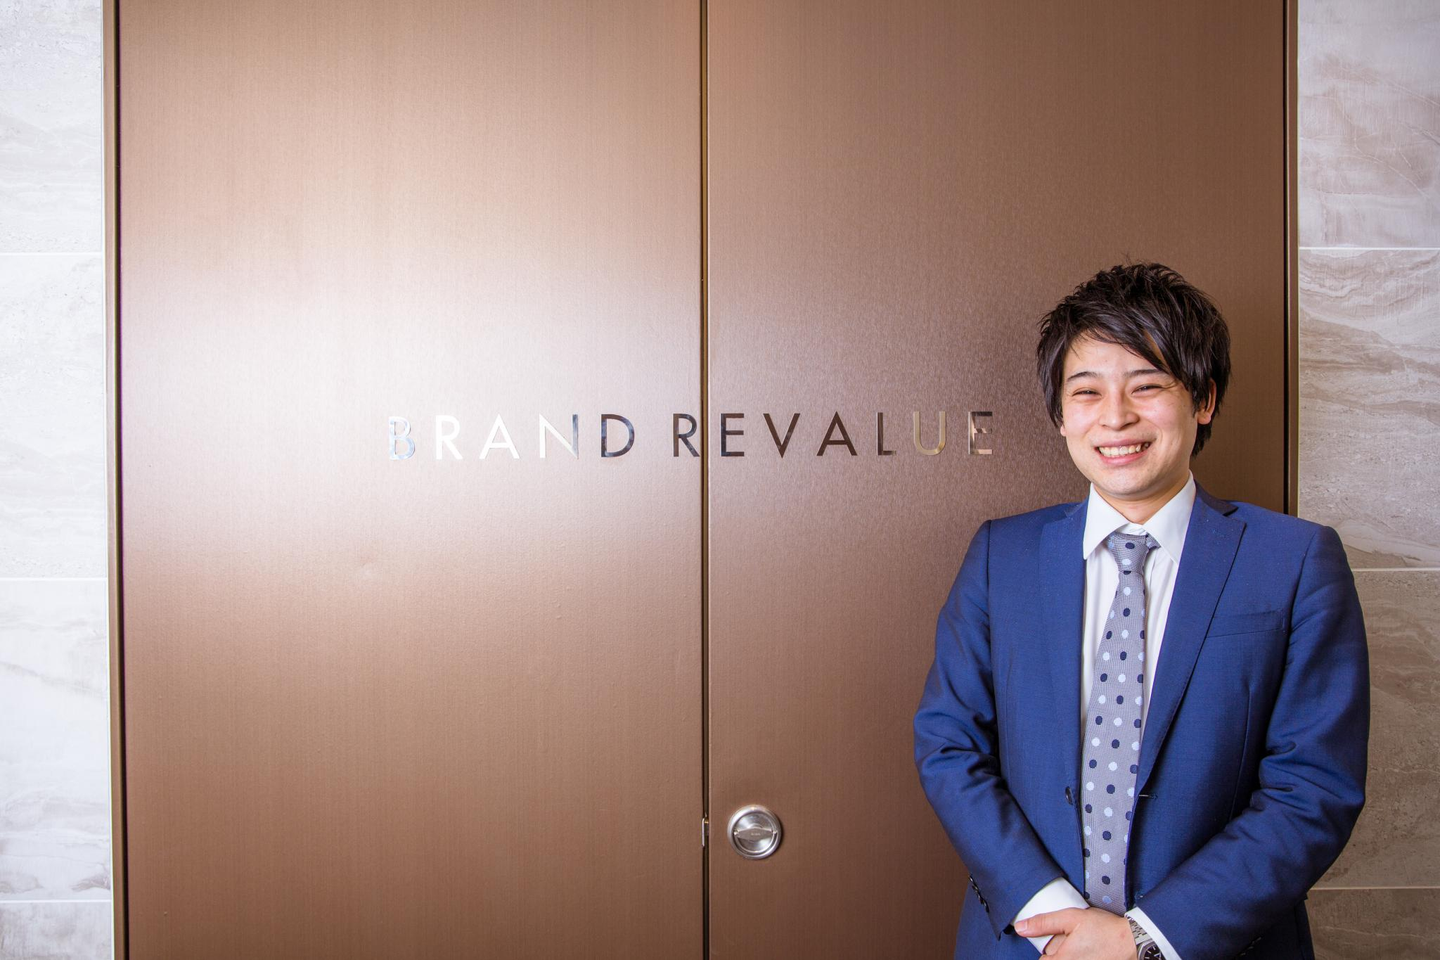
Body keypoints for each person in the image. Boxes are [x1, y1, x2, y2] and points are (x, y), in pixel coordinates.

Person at [913, 263, 1368, 960]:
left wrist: (1144, 939)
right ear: (1061, 415)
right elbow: (950, 745)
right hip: (1029, 943)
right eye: (1086, 391)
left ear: (1203, 400)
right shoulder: (1003, 556)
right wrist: (1051, 913)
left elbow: (1313, 789)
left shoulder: (1295, 560)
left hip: (1218, 945)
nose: (1116, 416)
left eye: (1147, 386)